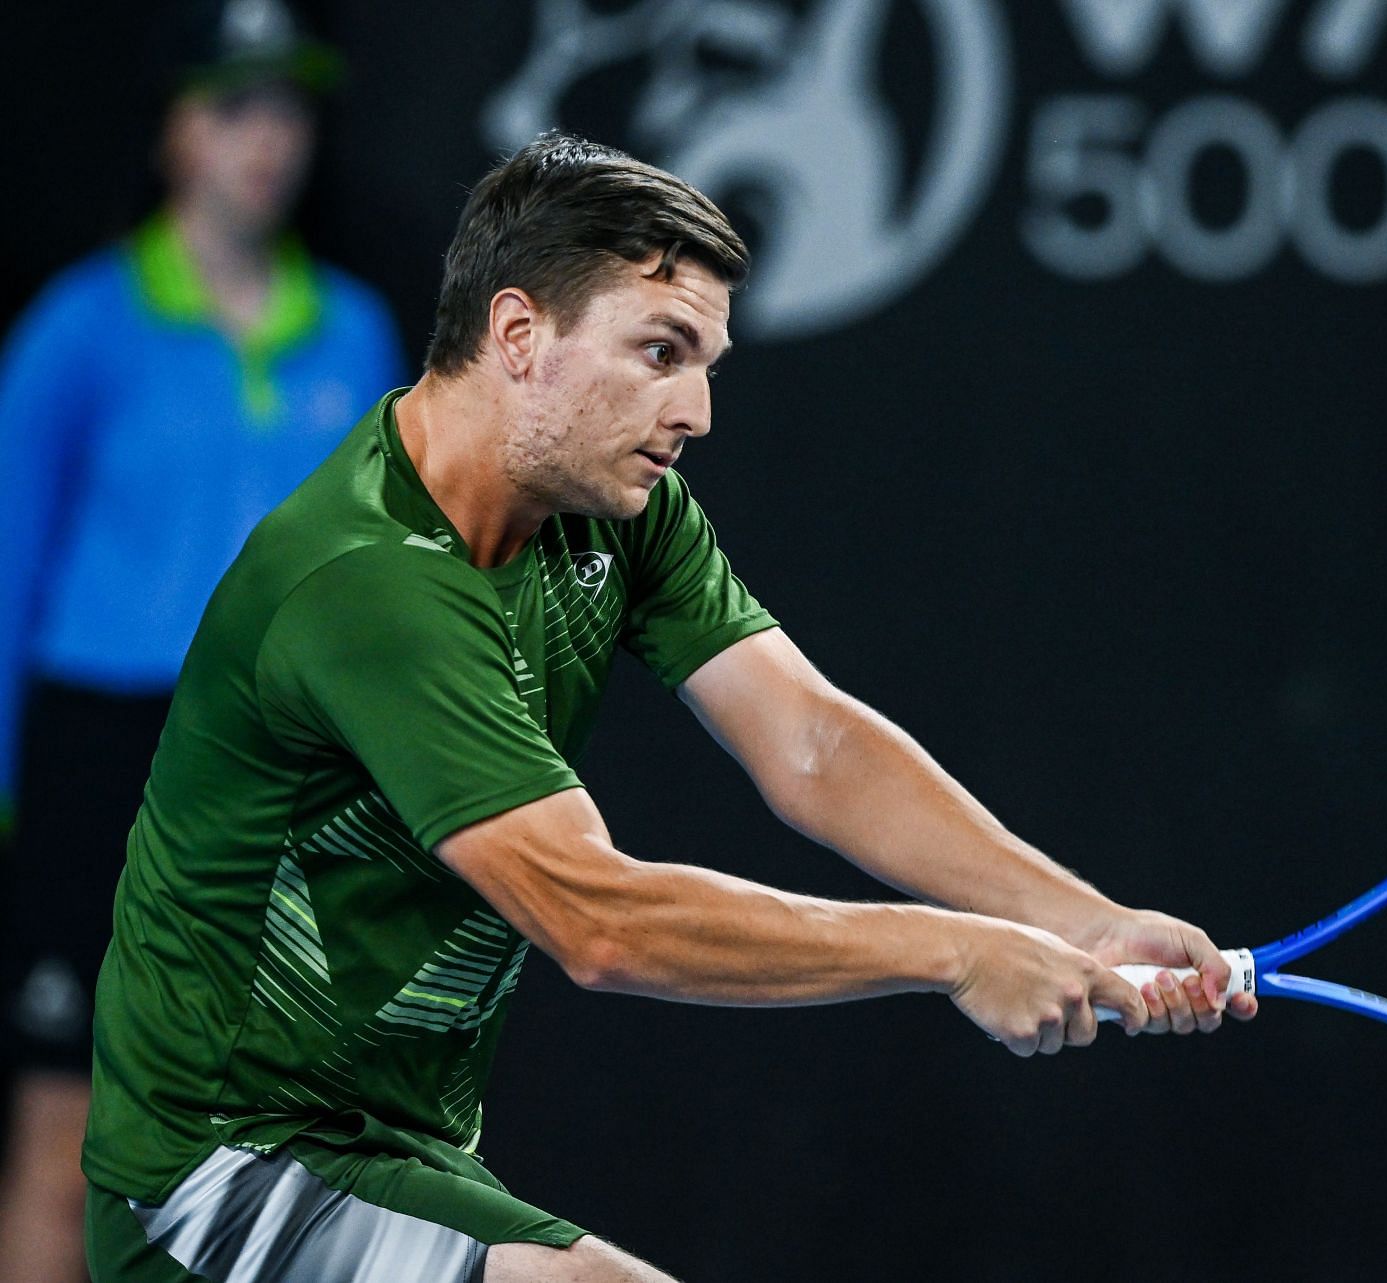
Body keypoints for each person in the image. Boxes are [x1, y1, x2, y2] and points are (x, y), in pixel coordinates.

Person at [78, 131, 1257, 1283]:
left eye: (706, 362)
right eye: (660, 351)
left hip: (404, 1149)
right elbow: (601, 921)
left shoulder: (614, 507)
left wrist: (1079, 917)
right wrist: (952, 950)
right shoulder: (368, 583)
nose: (695, 409)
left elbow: (811, 741)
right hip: (221, 1175)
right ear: (520, 335)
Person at [0, 3, 404, 1280]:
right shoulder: (81, 327)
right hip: (97, 755)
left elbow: (381, 587)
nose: (265, 141)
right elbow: (7, 566)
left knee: (280, 1151)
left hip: (279, 774)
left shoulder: (355, 334)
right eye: (234, 106)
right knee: (66, 1127)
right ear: (174, 126)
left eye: (286, 109)